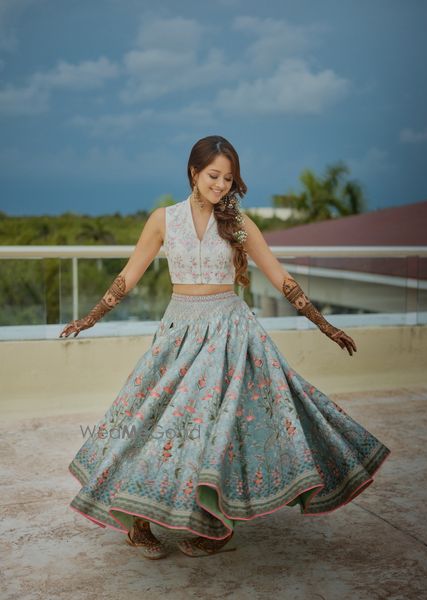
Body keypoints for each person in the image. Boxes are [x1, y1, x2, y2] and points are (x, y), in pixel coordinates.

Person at [60, 135, 391, 560]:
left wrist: (324, 323)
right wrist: (90, 318)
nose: (221, 185)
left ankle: (214, 523)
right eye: (214, 175)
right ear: (194, 172)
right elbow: (129, 275)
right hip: (180, 332)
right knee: (156, 422)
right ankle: (138, 522)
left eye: (228, 178)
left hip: (232, 334)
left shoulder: (238, 223)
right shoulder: (164, 220)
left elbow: (279, 276)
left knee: (224, 434)